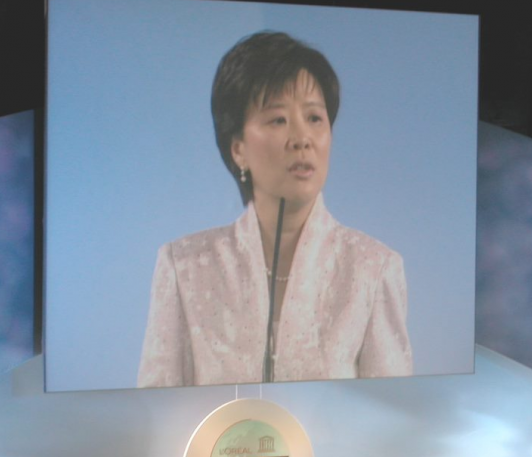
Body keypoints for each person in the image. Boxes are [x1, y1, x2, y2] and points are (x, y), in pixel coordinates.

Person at [138, 30, 413, 388]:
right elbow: (156, 415)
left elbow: (390, 419)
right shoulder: (184, 266)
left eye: (315, 118)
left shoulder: (373, 269)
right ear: (238, 148)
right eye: (278, 119)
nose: (302, 139)